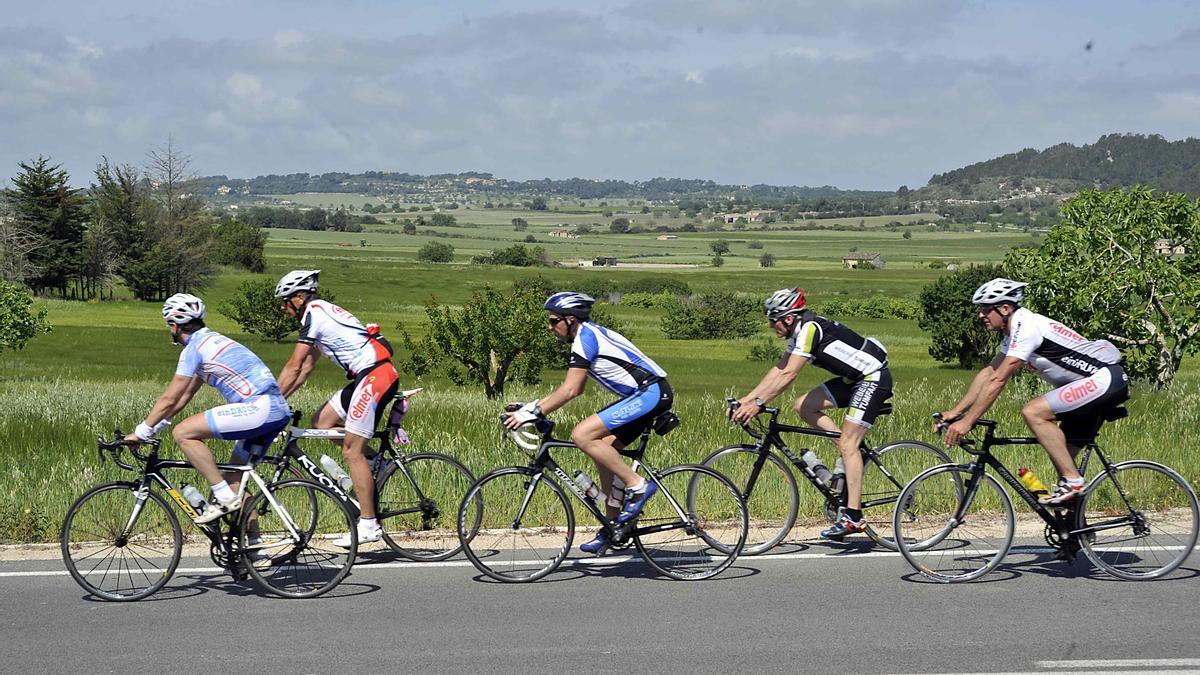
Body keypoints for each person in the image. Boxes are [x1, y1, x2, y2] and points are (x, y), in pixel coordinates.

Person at [502, 292, 672, 554]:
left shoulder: (585, 339)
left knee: (582, 435)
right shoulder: (587, 335)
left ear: (570, 319)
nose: (550, 328)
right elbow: (567, 390)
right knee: (604, 451)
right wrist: (531, 408)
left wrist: (529, 413)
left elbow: (572, 390)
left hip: (650, 393)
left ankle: (638, 486)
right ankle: (613, 528)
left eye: (553, 321)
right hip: (645, 395)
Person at [939, 278, 1128, 505]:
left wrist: (968, 422)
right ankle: (1076, 532)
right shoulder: (1013, 333)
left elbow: (999, 380)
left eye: (985, 309)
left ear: (1005, 308)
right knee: (1062, 462)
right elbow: (989, 373)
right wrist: (955, 411)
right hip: (1090, 388)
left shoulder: (1027, 326)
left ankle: (1074, 481)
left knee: (1033, 412)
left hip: (1104, 380)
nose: (980, 315)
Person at [730, 288, 893, 540]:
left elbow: (789, 374)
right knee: (803, 406)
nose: (772, 326)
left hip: (872, 378)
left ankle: (854, 517)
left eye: (774, 321)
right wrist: (748, 399)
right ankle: (850, 451)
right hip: (854, 379)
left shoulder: (810, 329)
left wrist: (759, 403)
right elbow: (779, 369)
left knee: (849, 444)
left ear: (788, 317)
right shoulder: (798, 333)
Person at [125, 294, 291, 526]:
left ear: (174, 325)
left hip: (258, 409)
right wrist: (157, 427)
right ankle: (255, 548)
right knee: (234, 479)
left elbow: (170, 397)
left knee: (183, 433)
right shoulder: (213, 340)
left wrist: (141, 432)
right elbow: (183, 397)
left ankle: (223, 498)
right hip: (275, 410)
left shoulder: (194, 349)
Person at [274, 270, 399, 546]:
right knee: (321, 422)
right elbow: (305, 368)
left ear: (299, 297)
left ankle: (368, 525)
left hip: (374, 375)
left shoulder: (314, 315)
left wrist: (269, 402)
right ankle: (378, 462)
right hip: (365, 375)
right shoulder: (320, 314)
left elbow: (293, 365)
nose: (283, 309)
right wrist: (279, 400)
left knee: (351, 451)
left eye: (285, 302)